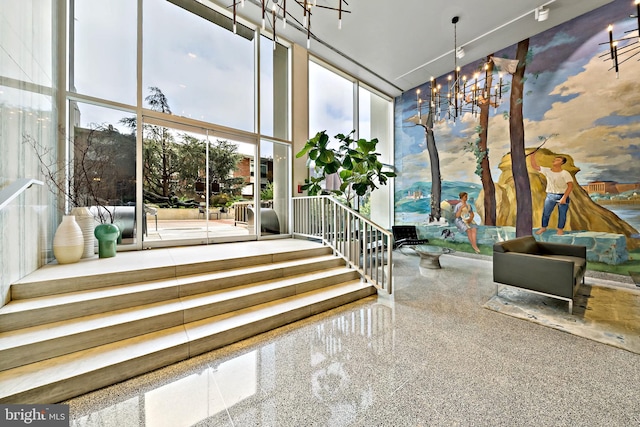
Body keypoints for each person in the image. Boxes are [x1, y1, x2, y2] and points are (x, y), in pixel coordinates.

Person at [530, 153, 573, 235]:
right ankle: (543, 228)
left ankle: (560, 229)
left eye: (558, 160)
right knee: (546, 213)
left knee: (562, 214)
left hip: (562, 195)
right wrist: (532, 157)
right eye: (555, 159)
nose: (554, 161)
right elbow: (535, 167)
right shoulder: (547, 170)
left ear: (562, 163)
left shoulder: (565, 173)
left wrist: (564, 197)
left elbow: (570, 186)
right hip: (550, 196)